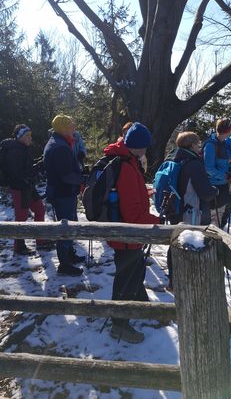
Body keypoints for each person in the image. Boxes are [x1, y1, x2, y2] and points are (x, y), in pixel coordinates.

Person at [104, 122, 159, 343]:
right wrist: (157, 222)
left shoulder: (127, 160)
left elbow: (131, 198)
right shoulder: (126, 167)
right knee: (125, 279)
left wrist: (143, 192)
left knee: (135, 270)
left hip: (127, 234)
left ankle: (141, 305)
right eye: (145, 146)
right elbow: (132, 214)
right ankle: (119, 325)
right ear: (139, 146)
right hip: (126, 234)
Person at [165, 131, 217, 289]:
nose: (200, 145)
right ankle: (187, 282)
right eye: (198, 143)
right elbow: (205, 193)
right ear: (192, 145)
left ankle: (173, 279)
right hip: (191, 211)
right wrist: (215, 191)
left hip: (175, 208)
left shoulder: (172, 158)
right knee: (189, 244)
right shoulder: (194, 163)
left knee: (174, 241)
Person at [43, 114, 85, 276]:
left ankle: (70, 255)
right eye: (71, 126)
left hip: (64, 192)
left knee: (70, 224)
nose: (74, 128)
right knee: (65, 227)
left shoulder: (60, 142)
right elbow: (66, 175)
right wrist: (83, 179)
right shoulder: (59, 147)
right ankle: (64, 264)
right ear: (63, 129)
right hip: (63, 193)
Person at [2, 124, 47, 255]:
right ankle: (18, 246)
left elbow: (26, 167)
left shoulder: (22, 148)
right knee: (21, 217)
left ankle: (40, 239)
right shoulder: (14, 151)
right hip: (20, 188)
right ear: (19, 136)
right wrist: (37, 167)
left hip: (28, 187)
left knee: (39, 209)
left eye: (30, 135)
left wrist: (37, 164)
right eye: (27, 135)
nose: (30, 138)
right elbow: (18, 173)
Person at [203, 118, 231, 227]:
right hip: (213, 186)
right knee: (213, 216)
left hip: (222, 185)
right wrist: (225, 175)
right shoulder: (211, 145)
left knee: (219, 214)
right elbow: (208, 168)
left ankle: (215, 237)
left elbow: (222, 163)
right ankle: (211, 238)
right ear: (228, 131)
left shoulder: (224, 143)